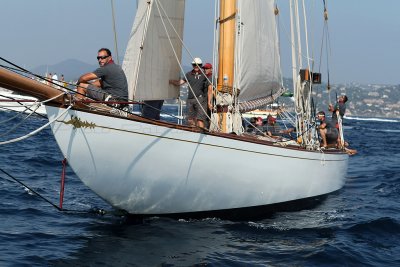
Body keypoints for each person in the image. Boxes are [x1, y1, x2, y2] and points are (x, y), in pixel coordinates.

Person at [169, 57, 208, 128]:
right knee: (190, 119)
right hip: (190, 99)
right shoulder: (188, 74)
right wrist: (171, 81)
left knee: (200, 120)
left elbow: (210, 85)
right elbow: (180, 82)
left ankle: (201, 132)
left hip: (200, 100)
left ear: (201, 65)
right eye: (194, 65)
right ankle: (193, 133)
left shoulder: (204, 75)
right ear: (192, 65)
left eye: (198, 65)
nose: (196, 66)